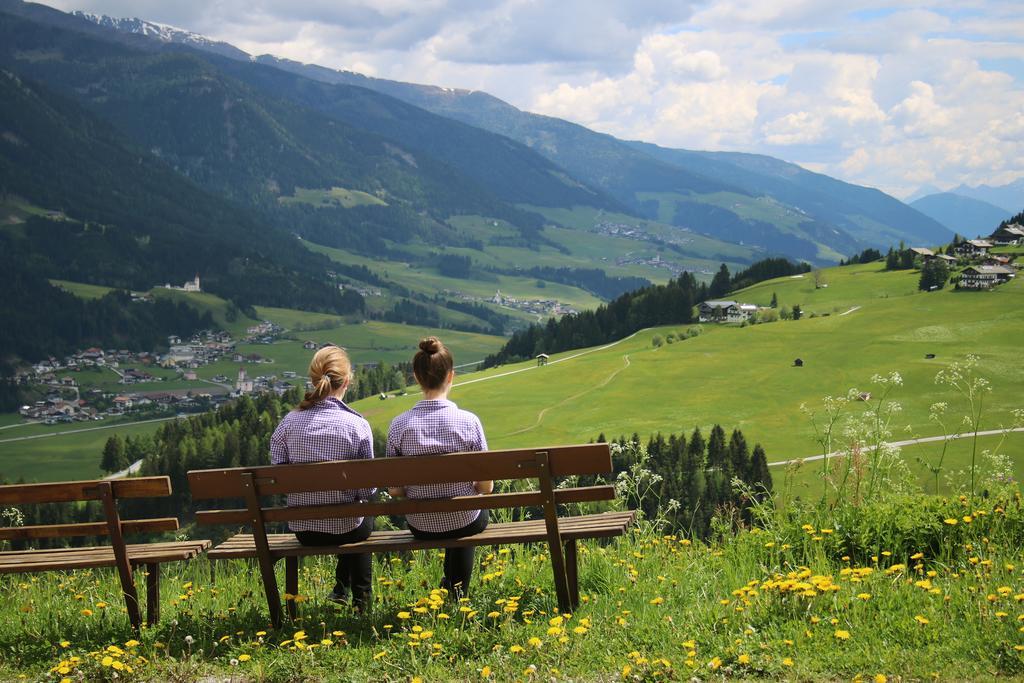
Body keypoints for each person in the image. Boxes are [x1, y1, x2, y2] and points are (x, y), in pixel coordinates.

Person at [270, 345, 375, 610]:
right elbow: (367, 490)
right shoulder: (357, 424)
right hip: (348, 529)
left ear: (314, 379)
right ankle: (360, 600)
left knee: (353, 513)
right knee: (360, 513)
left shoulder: (288, 423)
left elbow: (277, 476)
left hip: (304, 529)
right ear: (347, 381)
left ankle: (340, 590)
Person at [386, 336, 492, 597]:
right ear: (451, 376)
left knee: (461, 510)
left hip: (421, 524)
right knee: (467, 510)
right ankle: (457, 592)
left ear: (416, 377)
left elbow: (395, 491)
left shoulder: (399, 425)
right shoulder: (469, 422)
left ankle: (451, 587)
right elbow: (486, 487)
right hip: (465, 521)